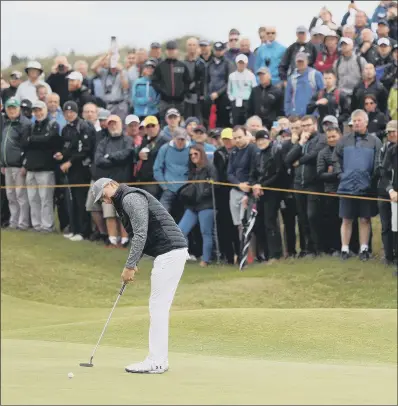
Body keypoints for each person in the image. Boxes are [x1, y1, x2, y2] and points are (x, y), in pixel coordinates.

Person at [91, 177, 188, 374]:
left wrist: (129, 265)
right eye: (102, 200)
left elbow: (141, 234)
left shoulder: (130, 198)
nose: (105, 201)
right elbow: (144, 233)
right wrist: (133, 263)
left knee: (158, 306)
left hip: (169, 253)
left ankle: (157, 361)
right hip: (171, 252)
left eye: (103, 196)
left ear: (111, 185)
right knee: (159, 306)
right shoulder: (125, 200)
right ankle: (159, 360)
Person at [333, 109, 382, 261]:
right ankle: (345, 249)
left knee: (364, 219)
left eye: (359, 120)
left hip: (366, 187)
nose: (356, 123)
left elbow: (378, 163)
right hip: (346, 186)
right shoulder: (344, 140)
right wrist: (341, 175)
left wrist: (371, 179)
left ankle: (364, 249)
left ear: (366, 122)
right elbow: (335, 159)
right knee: (346, 219)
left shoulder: (375, 141)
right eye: (354, 121)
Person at [285, 115, 327, 256]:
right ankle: (307, 248)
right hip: (298, 184)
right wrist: (300, 143)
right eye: (303, 126)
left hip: (313, 184)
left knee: (313, 216)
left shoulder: (321, 138)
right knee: (302, 218)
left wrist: (300, 161)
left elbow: (315, 155)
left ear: (315, 124)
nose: (306, 128)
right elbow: (288, 159)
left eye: (308, 125)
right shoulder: (301, 141)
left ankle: (319, 248)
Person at [56, 101, 96, 241]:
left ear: (76, 112)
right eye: (66, 112)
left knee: (81, 200)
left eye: (71, 112)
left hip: (82, 169)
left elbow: (85, 150)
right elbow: (68, 147)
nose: (69, 114)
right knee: (71, 200)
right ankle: (74, 229)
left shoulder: (84, 126)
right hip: (71, 170)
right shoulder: (66, 128)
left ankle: (84, 232)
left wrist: (70, 162)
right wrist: (62, 154)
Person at [94, 115, 134, 248]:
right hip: (108, 183)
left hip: (124, 182)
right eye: (110, 124)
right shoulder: (103, 142)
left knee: (123, 213)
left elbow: (127, 154)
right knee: (109, 213)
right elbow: (98, 160)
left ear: (121, 124)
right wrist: (114, 160)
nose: (113, 126)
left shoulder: (128, 140)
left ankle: (124, 240)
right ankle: (112, 240)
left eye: (115, 123)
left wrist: (110, 157)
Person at [22, 100, 61, 233]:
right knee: (33, 198)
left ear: (45, 110)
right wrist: (39, 139)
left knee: (46, 199)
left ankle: (47, 225)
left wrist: (33, 139)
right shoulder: (31, 126)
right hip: (31, 168)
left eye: (40, 110)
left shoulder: (52, 124)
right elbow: (24, 142)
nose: (38, 113)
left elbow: (50, 140)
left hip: (46, 169)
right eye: (36, 111)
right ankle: (37, 225)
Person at [178, 144, 217, 267]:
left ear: (201, 153)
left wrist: (201, 196)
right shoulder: (192, 169)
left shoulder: (210, 167)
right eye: (191, 155)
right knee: (180, 230)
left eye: (196, 154)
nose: (193, 156)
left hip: (207, 205)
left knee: (206, 232)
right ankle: (179, 257)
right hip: (193, 205)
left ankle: (206, 260)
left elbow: (215, 186)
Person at [248, 129, 284, 264]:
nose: (261, 142)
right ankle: (264, 254)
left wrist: (262, 185)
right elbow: (252, 173)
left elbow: (278, 173)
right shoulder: (256, 154)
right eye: (259, 140)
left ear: (268, 139)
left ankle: (275, 254)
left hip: (272, 192)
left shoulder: (275, 152)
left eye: (263, 139)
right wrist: (254, 186)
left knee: (270, 222)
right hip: (258, 193)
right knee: (259, 223)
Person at [0, 97, 31, 230]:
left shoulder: (24, 124)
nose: (11, 110)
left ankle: (23, 222)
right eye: (9, 108)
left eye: (14, 108)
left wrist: (25, 164)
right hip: (7, 166)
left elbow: (26, 147)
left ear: (19, 109)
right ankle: (14, 221)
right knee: (11, 195)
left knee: (21, 196)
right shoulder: (7, 123)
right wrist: (2, 163)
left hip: (19, 165)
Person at [213, 128, 239, 264]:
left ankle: (241, 254)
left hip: (237, 190)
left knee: (237, 224)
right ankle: (228, 256)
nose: (227, 142)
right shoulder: (219, 153)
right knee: (225, 225)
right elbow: (220, 173)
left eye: (229, 139)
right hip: (223, 193)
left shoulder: (239, 151)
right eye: (225, 139)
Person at [227, 126, 258, 235]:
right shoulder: (234, 151)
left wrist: (246, 190)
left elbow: (254, 171)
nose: (237, 140)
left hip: (248, 192)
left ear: (246, 135)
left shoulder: (252, 149)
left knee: (248, 224)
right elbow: (229, 173)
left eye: (240, 137)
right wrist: (238, 184)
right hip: (236, 190)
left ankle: (252, 252)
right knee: (239, 225)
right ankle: (243, 250)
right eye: (235, 138)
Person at [317, 126, 342, 255]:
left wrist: (333, 170)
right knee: (333, 221)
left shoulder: (345, 150)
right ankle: (335, 248)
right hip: (330, 191)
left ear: (340, 136)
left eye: (334, 136)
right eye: (329, 137)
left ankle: (350, 248)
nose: (331, 139)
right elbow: (320, 174)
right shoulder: (323, 153)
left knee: (348, 221)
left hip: (346, 190)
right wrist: (336, 174)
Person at [151, 40, 191, 123]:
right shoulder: (161, 66)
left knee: (179, 124)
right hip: (165, 101)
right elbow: (154, 81)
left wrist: (183, 92)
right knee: (165, 123)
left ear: (177, 51)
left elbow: (188, 81)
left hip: (179, 102)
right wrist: (163, 91)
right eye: (169, 50)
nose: (171, 52)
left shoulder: (182, 65)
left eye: (173, 50)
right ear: (166, 51)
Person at [153, 127, 191, 213]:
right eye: (178, 139)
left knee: (191, 211)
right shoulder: (165, 148)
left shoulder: (191, 148)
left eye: (183, 139)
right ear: (173, 138)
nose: (181, 142)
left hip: (187, 188)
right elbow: (157, 169)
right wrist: (164, 186)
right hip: (169, 188)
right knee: (161, 213)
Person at [377, 120, 397, 265]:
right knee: (387, 226)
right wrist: (390, 190)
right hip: (386, 192)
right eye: (389, 132)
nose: (391, 134)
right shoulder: (386, 149)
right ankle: (389, 256)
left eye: (394, 131)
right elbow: (382, 171)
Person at [135, 116, 169, 199]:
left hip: (155, 181)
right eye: (148, 126)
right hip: (143, 179)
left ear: (158, 126)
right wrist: (139, 155)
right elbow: (137, 155)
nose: (150, 128)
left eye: (153, 126)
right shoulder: (145, 140)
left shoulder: (165, 140)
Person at [284, 52, 324, 117]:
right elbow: (287, 98)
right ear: (295, 62)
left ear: (307, 61)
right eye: (298, 61)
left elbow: (323, 92)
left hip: (313, 115)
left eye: (302, 61)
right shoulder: (291, 78)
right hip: (296, 116)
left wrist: (319, 111)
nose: (300, 63)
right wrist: (288, 113)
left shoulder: (316, 74)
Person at [91, 54, 129, 119]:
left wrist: (121, 72)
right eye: (110, 61)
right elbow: (93, 67)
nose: (112, 63)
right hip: (108, 105)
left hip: (120, 105)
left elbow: (126, 87)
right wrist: (106, 55)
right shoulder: (104, 72)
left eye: (114, 60)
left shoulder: (123, 72)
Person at [207, 42, 235, 128]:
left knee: (223, 120)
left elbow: (229, 82)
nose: (218, 52)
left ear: (224, 50)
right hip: (211, 96)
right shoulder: (209, 63)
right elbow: (207, 80)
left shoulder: (228, 63)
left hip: (223, 96)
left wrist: (218, 93)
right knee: (211, 121)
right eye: (216, 50)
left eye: (220, 50)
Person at [227, 54, 257, 126]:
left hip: (247, 101)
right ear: (236, 63)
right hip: (235, 101)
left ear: (246, 63)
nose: (241, 65)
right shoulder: (232, 76)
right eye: (239, 63)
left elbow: (255, 89)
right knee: (235, 122)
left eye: (243, 63)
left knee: (247, 121)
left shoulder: (251, 75)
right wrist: (232, 99)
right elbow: (229, 90)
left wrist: (251, 101)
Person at [195, 39, 214, 127]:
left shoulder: (215, 60)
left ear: (209, 47)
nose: (203, 48)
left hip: (213, 95)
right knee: (202, 120)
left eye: (205, 46)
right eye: (201, 46)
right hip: (200, 96)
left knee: (213, 120)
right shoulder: (197, 62)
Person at [184, 37, 200, 119]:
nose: (191, 47)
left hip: (199, 98)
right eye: (189, 45)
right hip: (186, 98)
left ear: (197, 47)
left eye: (194, 45)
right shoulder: (182, 63)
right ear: (186, 47)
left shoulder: (201, 63)